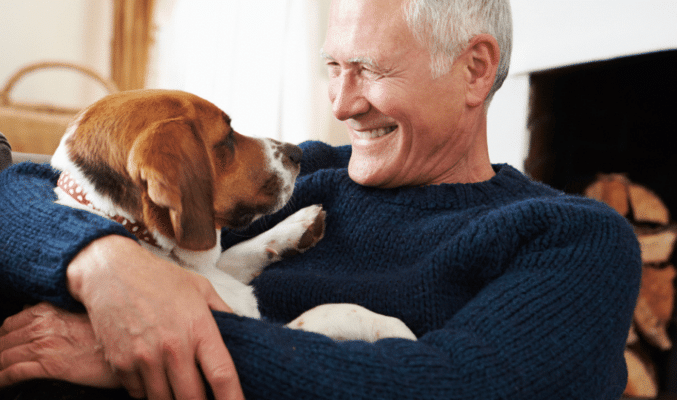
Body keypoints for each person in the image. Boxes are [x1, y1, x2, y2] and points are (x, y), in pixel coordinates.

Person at [0, 0, 641, 399]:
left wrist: (152, 345)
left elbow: (457, 386)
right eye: (334, 67)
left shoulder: (574, 238)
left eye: (370, 69)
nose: (342, 103)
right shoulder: (310, 177)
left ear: (474, 69)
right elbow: (16, 191)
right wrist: (105, 265)